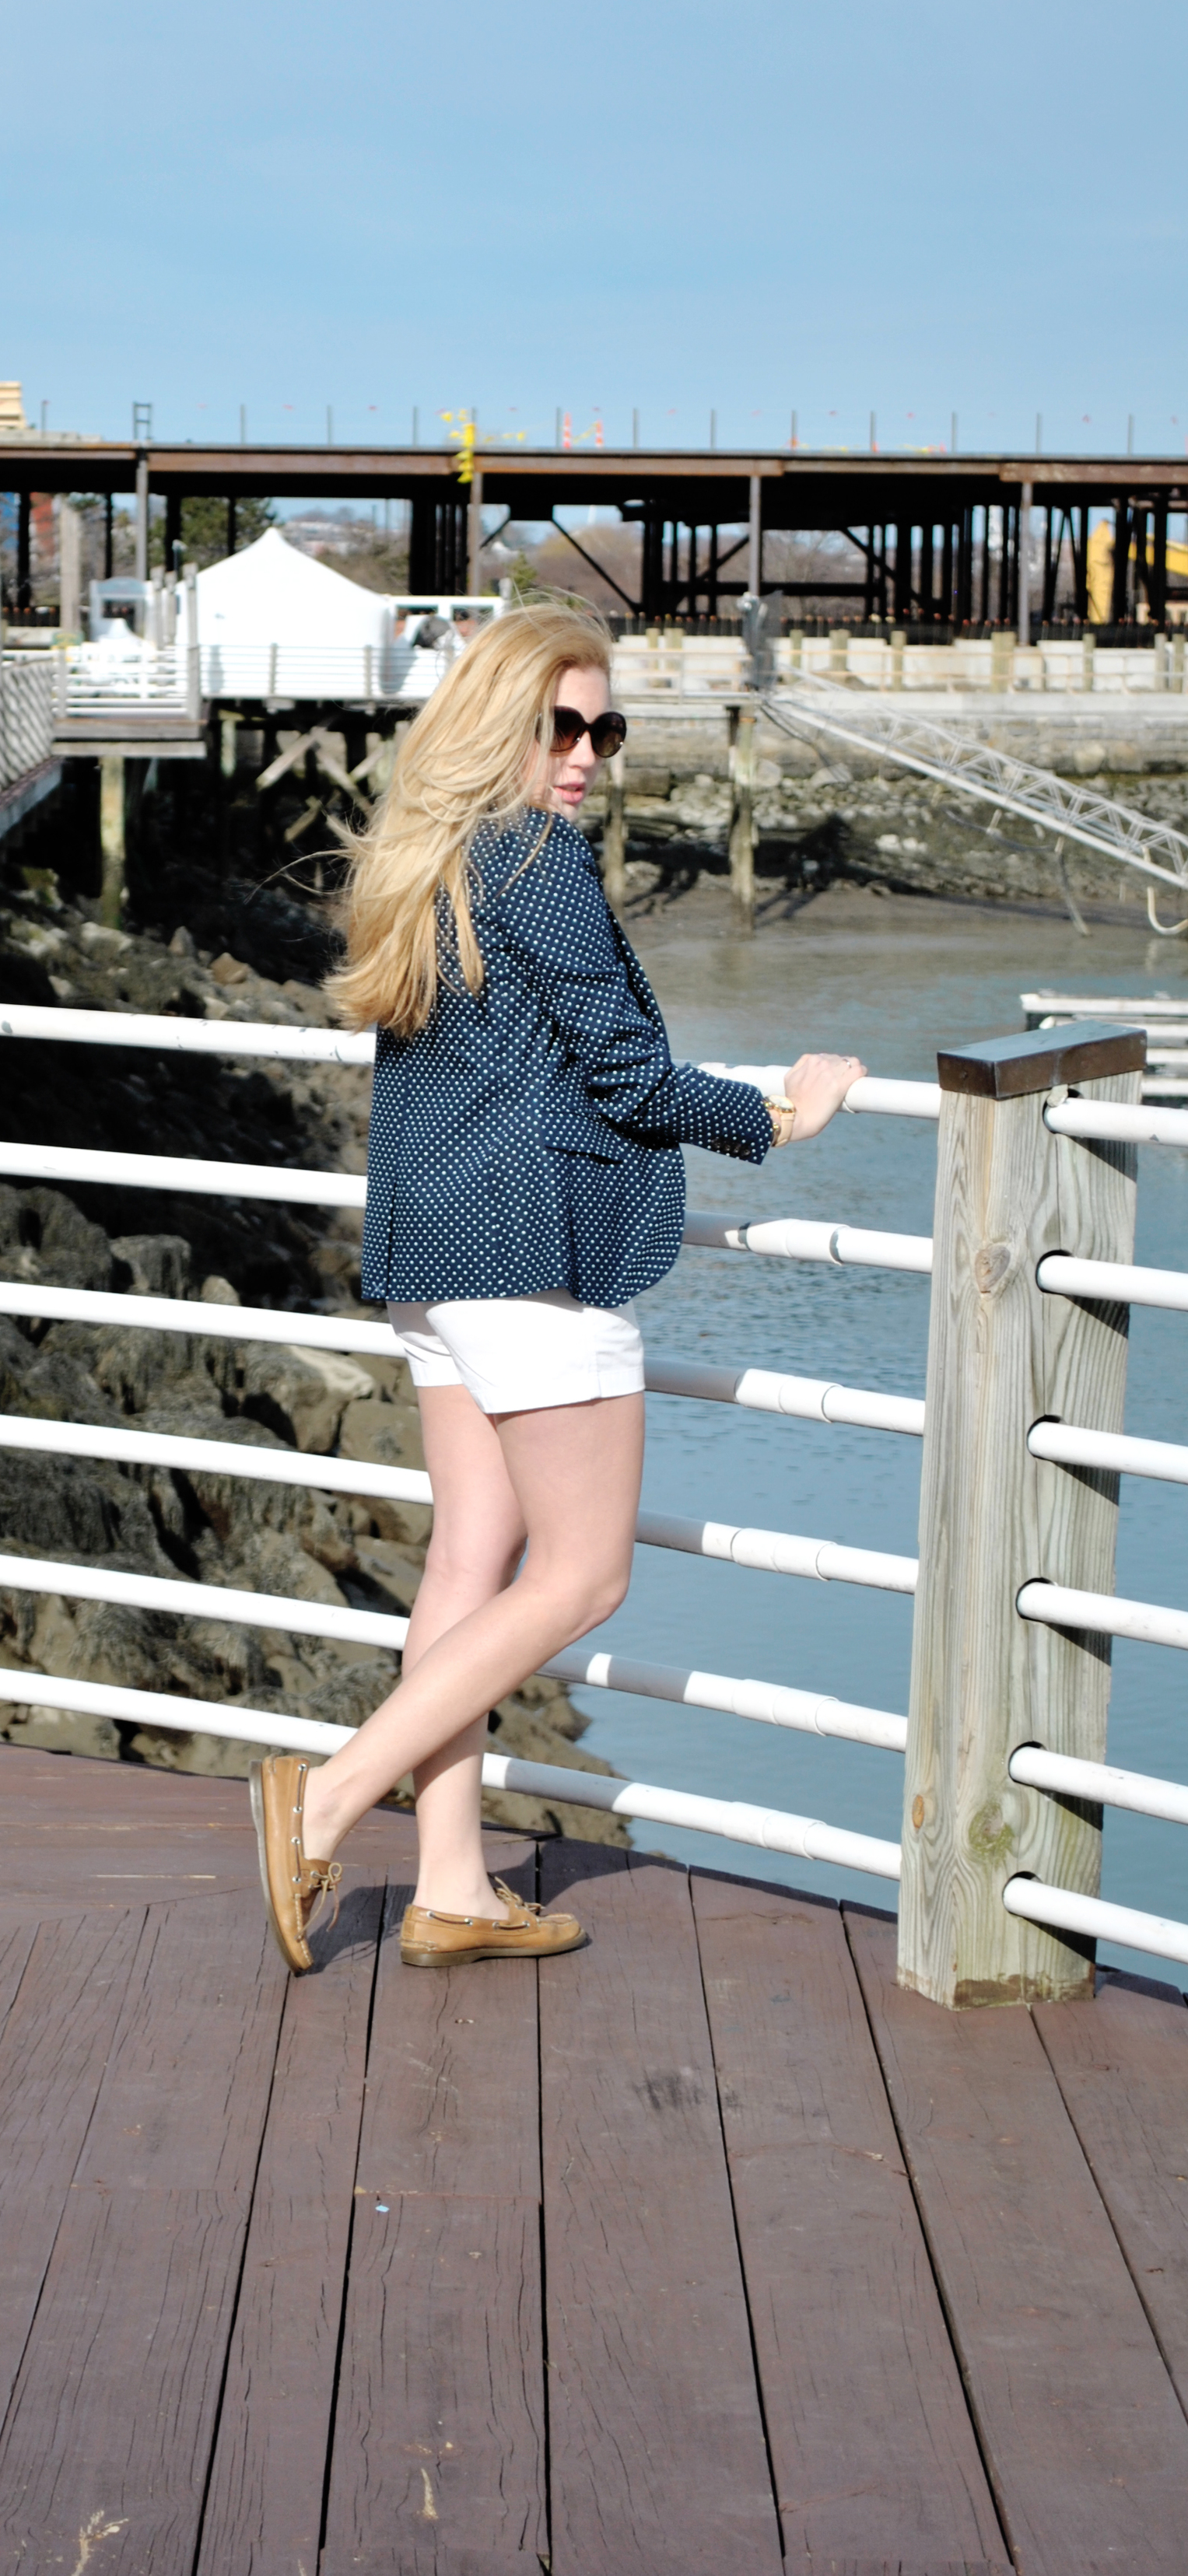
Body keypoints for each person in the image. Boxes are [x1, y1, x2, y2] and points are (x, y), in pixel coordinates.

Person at [247, 602, 864, 1974]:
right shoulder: (532, 856)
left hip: (438, 1254)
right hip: (530, 1257)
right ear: (502, 727)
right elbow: (626, 1073)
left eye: (603, 728)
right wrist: (782, 1114)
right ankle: (332, 1799)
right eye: (559, 726)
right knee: (581, 1577)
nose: (585, 754)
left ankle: (455, 1884)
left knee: (471, 1563)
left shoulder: (434, 858)